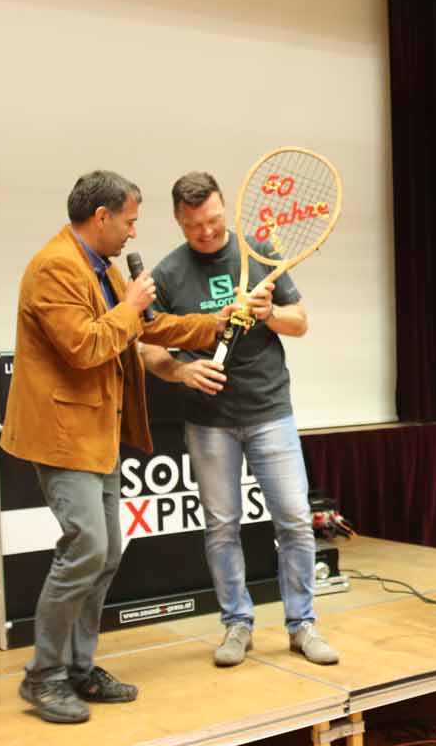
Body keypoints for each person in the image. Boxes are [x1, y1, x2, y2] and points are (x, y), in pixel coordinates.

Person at [2, 170, 229, 724]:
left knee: (105, 554)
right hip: (63, 437)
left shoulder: (100, 265)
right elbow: (85, 346)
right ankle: (43, 676)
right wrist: (129, 304)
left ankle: (79, 668)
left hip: (97, 433)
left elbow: (148, 327)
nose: (133, 232)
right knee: (85, 548)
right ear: (101, 216)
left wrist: (214, 324)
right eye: (129, 220)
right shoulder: (55, 267)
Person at [140, 171, 338, 669]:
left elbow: (301, 322)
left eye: (212, 220)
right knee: (222, 526)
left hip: (270, 410)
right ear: (178, 220)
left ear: (223, 208)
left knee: (295, 520)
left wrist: (269, 314)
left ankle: (302, 624)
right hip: (208, 421)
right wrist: (181, 372)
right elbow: (147, 348)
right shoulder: (168, 274)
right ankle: (236, 624)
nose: (206, 232)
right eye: (193, 226)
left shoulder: (260, 252)